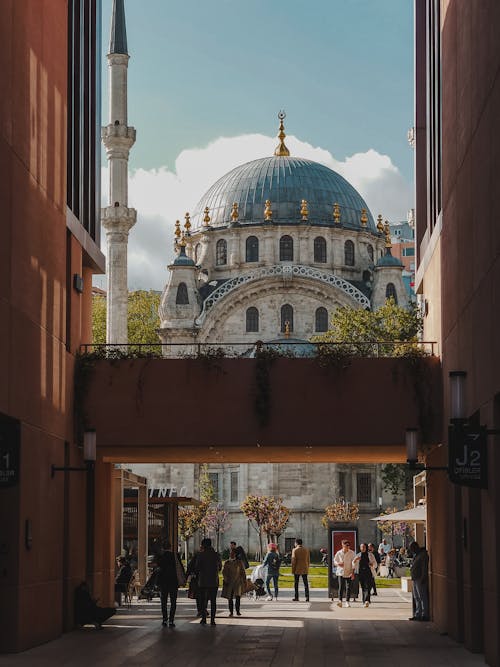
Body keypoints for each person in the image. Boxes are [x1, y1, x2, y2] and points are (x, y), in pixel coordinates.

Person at [156, 542, 185, 627]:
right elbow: (180, 567)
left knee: (163, 602)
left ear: (163, 548)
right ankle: (171, 620)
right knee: (173, 601)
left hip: (163, 582)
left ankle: (164, 619)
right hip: (173, 582)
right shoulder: (175, 556)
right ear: (170, 547)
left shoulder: (161, 557)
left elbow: (158, 569)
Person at [195, 537, 222, 625]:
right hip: (213, 581)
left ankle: (204, 618)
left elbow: (197, 567)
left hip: (203, 581)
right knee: (213, 601)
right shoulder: (216, 555)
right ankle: (213, 620)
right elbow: (220, 567)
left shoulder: (201, 555)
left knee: (203, 600)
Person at [221, 547, 246, 616]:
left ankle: (238, 611)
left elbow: (243, 572)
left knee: (238, 597)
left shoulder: (239, 562)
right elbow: (224, 572)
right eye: (230, 553)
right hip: (229, 582)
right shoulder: (227, 562)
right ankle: (231, 612)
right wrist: (226, 579)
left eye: (232, 553)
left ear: (235, 554)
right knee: (230, 598)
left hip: (237, 582)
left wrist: (244, 580)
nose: (231, 554)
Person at [409, 541, 429, 621]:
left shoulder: (423, 555)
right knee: (416, 597)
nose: (411, 550)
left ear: (415, 547)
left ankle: (424, 614)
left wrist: (423, 577)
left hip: (420, 578)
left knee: (422, 596)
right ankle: (418, 614)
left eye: (412, 548)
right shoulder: (416, 555)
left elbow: (424, 567)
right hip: (415, 578)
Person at [334, 539, 356, 608]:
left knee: (348, 587)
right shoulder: (339, 553)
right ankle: (340, 601)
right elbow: (335, 560)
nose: (347, 547)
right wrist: (338, 564)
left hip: (349, 572)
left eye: (348, 545)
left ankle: (347, 601)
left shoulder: (352, 553)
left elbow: (354, 563)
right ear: (342, 545)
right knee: (341, 587)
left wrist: (353, 572)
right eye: (346, 545)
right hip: (341, 572)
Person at [353, 543, 377, 607]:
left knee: (368, 587)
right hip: (360, 573)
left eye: (364, 547)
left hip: (368, 572)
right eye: (361, 547)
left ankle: (366, 600)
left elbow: (375, 564)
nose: (363, 548)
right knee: (363, 587)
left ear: (366, 548)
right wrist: (355, 560)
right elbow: (353, 564)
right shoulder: (358, 555)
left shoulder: (370, 555)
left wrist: (372, 565)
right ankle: (365, 601)